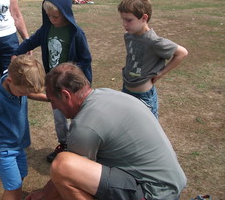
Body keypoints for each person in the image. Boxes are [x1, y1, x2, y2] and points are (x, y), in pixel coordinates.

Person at [26, 62, 187, 200]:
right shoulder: (106, 94)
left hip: (154, 193)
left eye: (53, 101)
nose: (54, 107)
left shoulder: (85, 125)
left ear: (66, 95)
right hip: (169, 184)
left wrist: (43, 196)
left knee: (62, 166)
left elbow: (66, 173)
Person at [13, 0, 92, 163]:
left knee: (78, 117)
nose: (52, 19)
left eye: (55, 16)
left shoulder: (76, 33)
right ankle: (63, 145)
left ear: (65, 13)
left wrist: (86, 83)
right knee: (59, 118)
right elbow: (30, 42)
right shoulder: (46, 29)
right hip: (53, 83)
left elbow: (85, 60)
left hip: (71, 86)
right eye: (48, 16)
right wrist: (16, 53)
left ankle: (78, 148)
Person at [0, 55, 46, 200]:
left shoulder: (15, 83)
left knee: (20, 177)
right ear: (10, 81)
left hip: (18, 146)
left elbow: (29, 93)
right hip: (4, 150)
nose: (24, 95)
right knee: (13, 187)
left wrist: (48, 98)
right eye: (22, 93)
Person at [117, 0, 188, 118]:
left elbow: (182, 53)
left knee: (147, 127)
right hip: (126, 90)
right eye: (122, 19)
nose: (124, 24)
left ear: (144, 18)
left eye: (128, 20)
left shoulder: (154, 41)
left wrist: (160, 73)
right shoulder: (128, 36)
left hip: (143, 96)